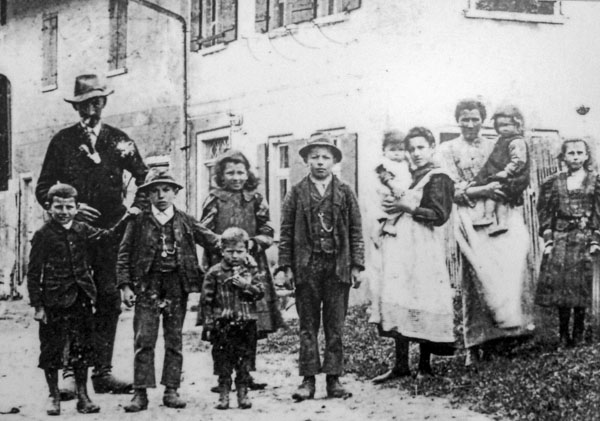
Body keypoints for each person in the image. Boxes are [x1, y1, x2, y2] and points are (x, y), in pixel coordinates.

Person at [35, 74, 148, 397]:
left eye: (97, 102)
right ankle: (73, 372)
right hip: (72, 235)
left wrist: (134, 210)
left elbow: (145, 177)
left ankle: (103, 372)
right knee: (74, 300)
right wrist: (72, 207)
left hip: (113, 233)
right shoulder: (63, 141)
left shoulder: (120, 140)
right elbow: (44, 187)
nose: (92, 109)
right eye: (85, 104)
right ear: (77, 107)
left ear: (105, 103)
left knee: (109, 299)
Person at [438, 99, 534, 365]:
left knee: (505, 275)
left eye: (475, 119)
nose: (470, 124)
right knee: (475, 278)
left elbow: (518, 173)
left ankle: (504, 339)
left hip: (501, 213)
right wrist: (484, 190)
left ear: (483, 121)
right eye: (465, 119)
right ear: (457, 121)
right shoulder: (447, 149)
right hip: (469, 215)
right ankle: (475, 344)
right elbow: (451, 189)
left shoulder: (498, 143)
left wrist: (502, 190)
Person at [116, 168, 219, 412]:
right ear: (148, 195)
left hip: (176, 286)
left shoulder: (185, 220)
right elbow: (124, 253)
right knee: (144, 338)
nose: (161, 195)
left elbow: (211, 239)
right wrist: (125, 285)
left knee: (174, 339)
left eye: (166, 190)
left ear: (175, 193)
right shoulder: (138, 221)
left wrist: (238, 243)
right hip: (147, 286)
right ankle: (140, 392)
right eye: (155, 191)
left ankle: (171, 390)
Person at [27, 183, 136, 415]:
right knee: (51, 350)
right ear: (49, 208)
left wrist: (128, 219)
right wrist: (38, 305)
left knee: (82, 348)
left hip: (82, 300)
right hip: (54, 301)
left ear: (77, 208)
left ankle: (83, 396)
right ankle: (53, 396)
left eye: (69, 207)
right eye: (59, 207)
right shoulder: (43, 235)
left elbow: (108, 237)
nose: (64, 211)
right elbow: (34, 272)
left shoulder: (83, 229)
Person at [278, 132, 364, 401]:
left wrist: (357, 265)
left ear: (334, 161)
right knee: (308, 325)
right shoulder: (296, 192)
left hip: (338, 266)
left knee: (335, 325)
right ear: (306, 160)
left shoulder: (345, 192)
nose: (320, 162)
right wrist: (285, 266)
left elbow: (356, 230)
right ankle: (307, 380)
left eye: (326, 157)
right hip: (307, 266)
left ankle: (334, 379)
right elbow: (286, 231)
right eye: (314, 156)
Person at [369, 127, 455, 382]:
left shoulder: (439, 177)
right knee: (401, 297)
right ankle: (400, 365)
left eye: (421, 148)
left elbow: (439, 216)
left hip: (424, 247)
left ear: (432, 148)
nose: (416, 153)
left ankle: (425, 367)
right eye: (411, 149)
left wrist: (407, 206)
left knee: (423, 297)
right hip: (401, 246)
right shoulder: (408, 176)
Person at [198, 149, 283, 392]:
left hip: (251, 266)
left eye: (240, 172)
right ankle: (223, 376)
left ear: (248, 174)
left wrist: (254, 244)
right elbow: (203, 231)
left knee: (250, 321)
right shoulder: (214, 198)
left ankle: (246, 375)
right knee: (223, 322)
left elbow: (268, 230)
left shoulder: (255, 198)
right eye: (230, 173)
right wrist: (224, 245)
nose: (236, 177)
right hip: (222, 266)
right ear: (221, 175)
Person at [536, 139, 600, 347]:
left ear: (586, 156)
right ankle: (563, 334)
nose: (575, 157)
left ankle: (579, 332)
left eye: (579, 153)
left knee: (581, 285)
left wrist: (595, 238)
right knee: (562, 287)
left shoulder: (594, 181)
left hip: (583, 237)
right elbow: (545, 212)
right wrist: (548, 239)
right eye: (570, 153)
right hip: (562, 238)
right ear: (563, 157)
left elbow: (598, 212)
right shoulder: (553, 182)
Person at [201, 227, 266, 410]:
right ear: (222, 251)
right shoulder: (214, 273)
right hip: (223, 325)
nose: (235, 255)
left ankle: (243, 393)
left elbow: (260, 293)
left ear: (247, 251)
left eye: (240, 251)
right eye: (230, 251)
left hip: (247, 323)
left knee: (245, 361)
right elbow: (206, 300)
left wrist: (247, 286)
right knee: (223, 361)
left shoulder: (251, 271)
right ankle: (223, 395)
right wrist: (209, 323)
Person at [471, 105, 530, 236]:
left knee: (495, 196)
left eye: (507, 125)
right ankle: (498, 222)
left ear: (518, 125)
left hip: (511, 177)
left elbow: (519, 160)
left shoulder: (516, 141)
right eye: (500, 126)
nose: (503, 129)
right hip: (502, 176)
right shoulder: (502, 140)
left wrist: (507, 172)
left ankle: (491, 218)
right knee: (498, 196)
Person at [373, 130, 412, 235]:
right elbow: (385, 178)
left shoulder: (405, 163)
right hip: (389, 191)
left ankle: (381, 230)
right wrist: (394, 188)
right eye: (392, 150)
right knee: (393, 207)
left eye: (401, 149)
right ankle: (387, 225)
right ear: (384, 151)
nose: (397, 153)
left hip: (400, 191)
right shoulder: (385, 163)